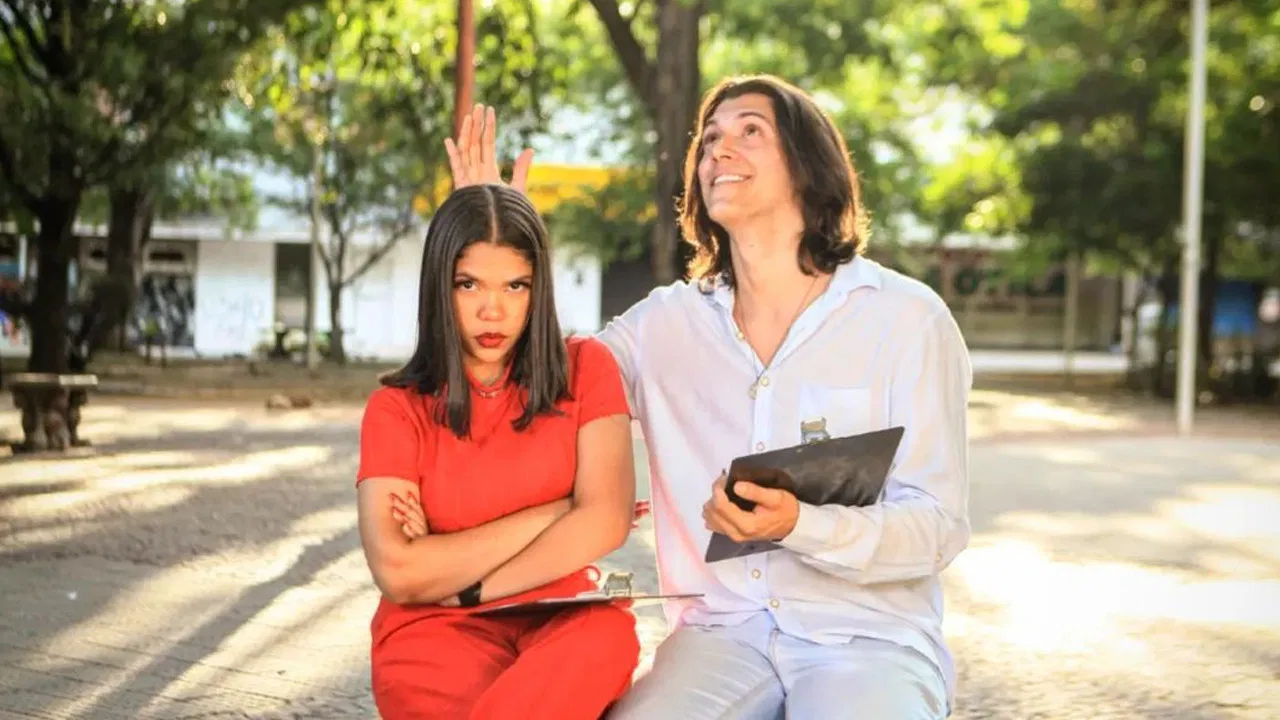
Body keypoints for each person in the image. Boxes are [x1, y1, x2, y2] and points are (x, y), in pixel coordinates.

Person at [447, 74, 972, 720]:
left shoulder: (907, 320)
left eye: (751, 130)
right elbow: (536, 386)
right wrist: (494, 242)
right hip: (720, 633)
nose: (719, 150)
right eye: (710, 138)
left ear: (810, 166)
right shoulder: (664, 324)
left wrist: (800, 525)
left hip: (870, 638)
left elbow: (938, 528)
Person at [354, 168, 641, 720]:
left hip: (562, 619)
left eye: (516, 285)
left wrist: (467, 585)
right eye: (470, 285)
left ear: (539, 288)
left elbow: (605, 522)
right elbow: (401, 573)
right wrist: (559, 511)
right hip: (433, 632)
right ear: (440, 286)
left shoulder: (586, 369)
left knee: (608, 637)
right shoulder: (396, 410)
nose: (495, 310)